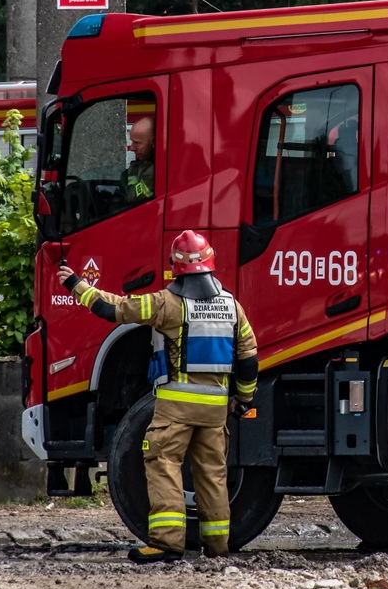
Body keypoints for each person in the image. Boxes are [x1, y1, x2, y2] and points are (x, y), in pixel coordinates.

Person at [57, 229, 258, 563]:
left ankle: (166, 543)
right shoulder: (231, 306)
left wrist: (75, 284)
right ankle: (218, 547)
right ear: (210, 262)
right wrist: (245, 399)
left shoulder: (166, 303)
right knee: (212, 475)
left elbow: (113, 309)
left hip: (175, 408)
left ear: (174, 266)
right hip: (215, 410)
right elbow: (249, 357)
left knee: (163, 463)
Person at [123, 115, 155, 203]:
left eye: (137, 143)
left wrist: (133, 169)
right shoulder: (144, 163)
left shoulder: (155, 171)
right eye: (132, 141)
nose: (132, 148)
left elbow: (132, 199)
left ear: (153, 141)